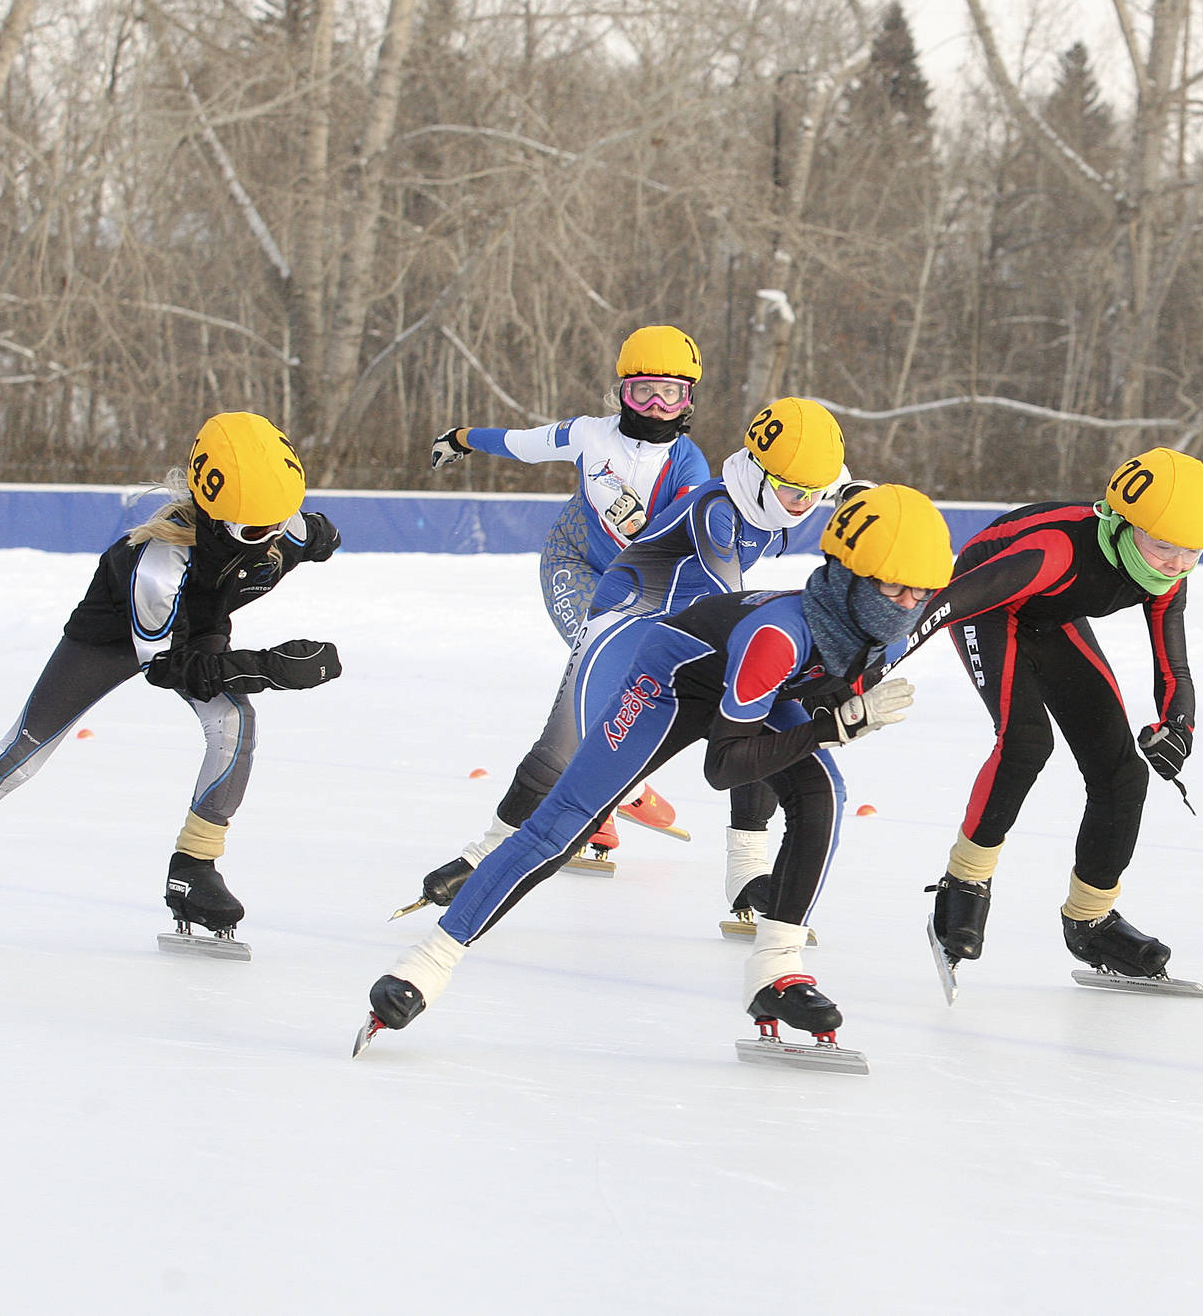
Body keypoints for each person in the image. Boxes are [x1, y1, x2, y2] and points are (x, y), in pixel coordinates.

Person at [357, 484, 954, 1055]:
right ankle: (426, 964)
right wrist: (836, 725)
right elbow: (725, 767)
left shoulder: (881, 634)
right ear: (847, 577)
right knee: (559, 827)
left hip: (751, 687)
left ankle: (777, 970)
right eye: (894, 588)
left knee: (823, 789)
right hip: (669, 685)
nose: (907, 606)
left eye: (919, 593)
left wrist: (834, 716)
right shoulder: (780, 633)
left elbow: (817, 697)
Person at [406, 396, 859, 925]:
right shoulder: (717, 509)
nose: (801, 504)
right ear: (756, 471)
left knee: (756, 719)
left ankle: (744, 873)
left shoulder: (797, 475)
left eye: (811, 493)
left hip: (692, 628)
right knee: (566, 747)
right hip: (626, 625)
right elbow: (732, 603)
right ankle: (486, 854)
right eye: (789, 491)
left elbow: (846, 487)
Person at [0, 412, 343, 942]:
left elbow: (320, 535)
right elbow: (168, 669)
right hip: (110, 641)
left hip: (194, 634)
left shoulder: (284, 530)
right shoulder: (157, 563)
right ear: (214, 516)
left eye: (283, 519)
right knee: (23, 751)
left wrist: (309, 537)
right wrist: (269, 667)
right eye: (254, 529)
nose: (272, 537)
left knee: (236, 726)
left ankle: (194, 869)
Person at [909, 448, 1203, 984]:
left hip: (1052, 616)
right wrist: (862, 672)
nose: (1174, 563)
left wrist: (1179, 725)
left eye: (1191, 552)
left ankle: (1091, 920)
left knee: (1122, 772)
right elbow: (941, 606)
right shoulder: (1057, 550)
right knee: (1026, 742)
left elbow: (1174, 664)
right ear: (1121, 522)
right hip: (987, 605)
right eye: (1163, 545)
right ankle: (964, 883)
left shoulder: (1170, 573)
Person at [429, 324, 712, 854]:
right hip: (573, 564)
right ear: (622, 391)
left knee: (630, 678)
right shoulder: (589, 435)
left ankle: (606, 797)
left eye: (670, 394)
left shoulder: (689, 466)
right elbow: (522, 445)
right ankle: (619, 794)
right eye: (642, 390)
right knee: (598, 670)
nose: (654, 406)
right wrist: (462, 437)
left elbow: (682, 541)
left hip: (636, 587)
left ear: (688, 400)